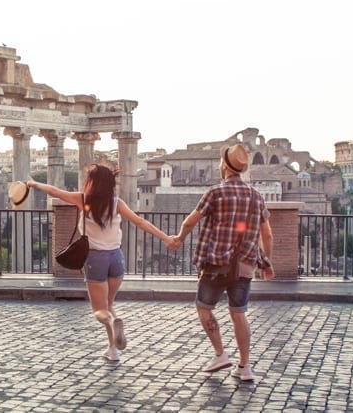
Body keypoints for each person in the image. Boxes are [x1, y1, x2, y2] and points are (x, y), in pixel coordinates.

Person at [27, 163, 177, 362]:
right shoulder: (117, 203)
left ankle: (113, 322)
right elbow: (141, 222)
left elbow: (55, 191)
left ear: (91, 182)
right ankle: (113, 350)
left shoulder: (83, 199)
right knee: (109, 303)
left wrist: (33, 183)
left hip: (95, 259)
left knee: (100, 310)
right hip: (116, 258)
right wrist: (166, 238)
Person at [170, 143, 275, 382]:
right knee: (239, 313)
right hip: (245, 265)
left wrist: (178, 238)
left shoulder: (215, 192)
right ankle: (245, 366)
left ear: (225, 167)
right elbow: (267, 234)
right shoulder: (256, 196)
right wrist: (265, 262)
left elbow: (190, 221)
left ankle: (220, 353)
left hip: (216, 264)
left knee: (204, 307)